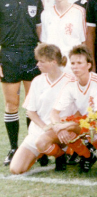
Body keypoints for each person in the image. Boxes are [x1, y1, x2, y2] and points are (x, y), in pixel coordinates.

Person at [0, 0, 44, 165]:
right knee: (12, 104)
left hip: (31, 55)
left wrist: (42, 56)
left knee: (32, 104)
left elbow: (40, 29)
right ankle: (14, 148)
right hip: (8, 55)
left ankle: (32, 147)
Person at [45, 45, 97, 173]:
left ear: (89, 65)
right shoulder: (70, 83)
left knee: (92, 125)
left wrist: (68, 125)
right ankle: (87, 156)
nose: (75, 67)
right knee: (63, 123)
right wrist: (59, 127)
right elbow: (54, 112)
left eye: (79, 63)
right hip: (86, 121)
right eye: (73, 63)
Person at [9, 44, 74, 174]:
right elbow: (30, 112)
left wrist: (61, 126)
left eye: (42, 61)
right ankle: (54, 153)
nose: (38, 64)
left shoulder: (71, 81)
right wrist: (44, 127)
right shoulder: (37, 81)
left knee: (43, 141)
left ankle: (62, 154)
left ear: (53, 62)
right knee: (16, 169)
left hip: (63, 130)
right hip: (40, 130)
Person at [41, 0, 86, 73]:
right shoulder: (46, 13)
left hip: (73, 64)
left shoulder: (79, 12)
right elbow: (44, 42)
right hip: (52, 64)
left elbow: (84, 41)